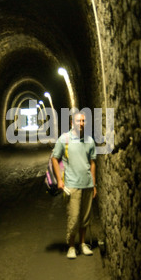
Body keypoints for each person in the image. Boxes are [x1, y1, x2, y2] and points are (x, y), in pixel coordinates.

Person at [51, 111, 97, 259]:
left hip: (87, 184)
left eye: (83, 121)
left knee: (84, 217)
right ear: (72, 123)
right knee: (74, 217)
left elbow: (92, 163)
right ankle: (71, 246)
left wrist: (94, 184)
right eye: (78, 121)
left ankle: (82, 244)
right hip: (72, 185)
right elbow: (54, 158)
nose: (81, 124)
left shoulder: (89, 141)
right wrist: (59, 179)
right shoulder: (64, 139)